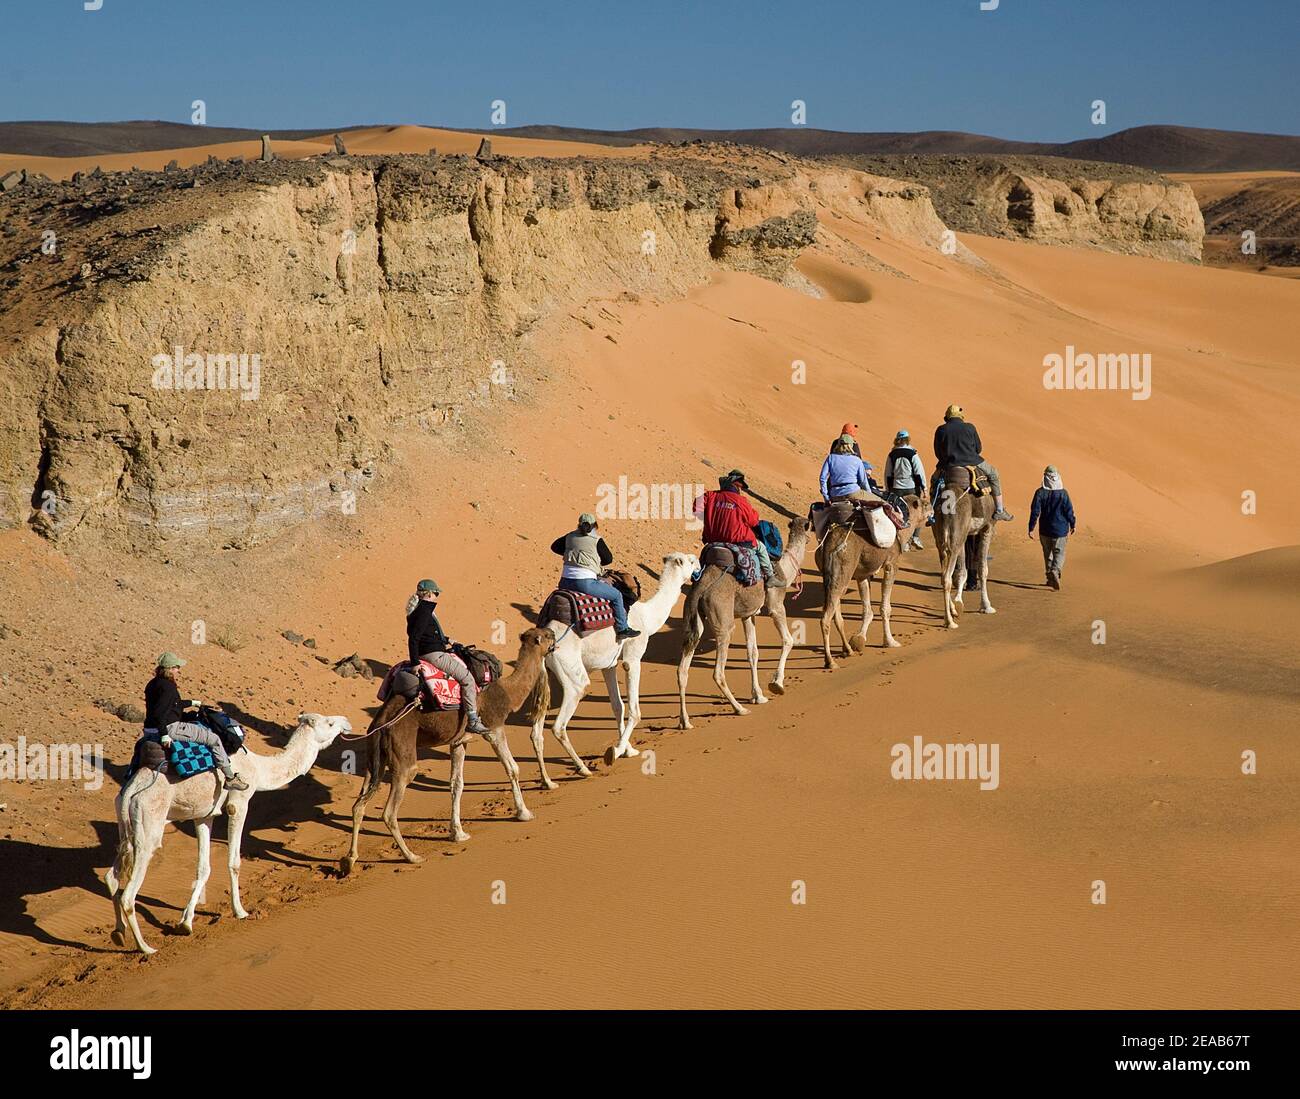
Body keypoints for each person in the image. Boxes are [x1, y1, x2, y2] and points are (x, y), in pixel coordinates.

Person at [143, 653, 249, 790]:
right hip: (170, 727)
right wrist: (164, 734)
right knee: (214, 739)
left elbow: (173, 704)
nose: (178, 670)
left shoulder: (153, 684)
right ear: (169, 669)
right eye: (176, 667)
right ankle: (230, 778)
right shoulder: (168, 687)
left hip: (148, 729)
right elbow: (160, 712)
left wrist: (193, 702)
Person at [406, 579, 490, 732]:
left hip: (430, 651)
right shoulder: (425, 611)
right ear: (430, 593)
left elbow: (427, 634)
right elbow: (414, 638)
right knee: (468, 679)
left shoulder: (417, 610)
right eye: (436, 593)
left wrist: (447, 640)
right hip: (434, 655)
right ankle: (472, 719)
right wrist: (414, 662)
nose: (437, 596)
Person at [549, 514, 640, 641]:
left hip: (564, 582)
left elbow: (554, 547)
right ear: (595, 525)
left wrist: (571, 553)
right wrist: (592, 560)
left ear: (579, 525)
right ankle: (622, 628)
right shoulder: (596, 539)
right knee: (617, 595)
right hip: (585, 583)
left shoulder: (569, 536)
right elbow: (608, 559)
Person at [696, 470, 784, 588]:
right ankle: (770, 577)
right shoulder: (741, 501)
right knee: (761, 547)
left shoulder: (710, 496)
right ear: (737, 486)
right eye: (740, 487)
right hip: (738, 541)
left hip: (713, 540)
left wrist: (713, 514)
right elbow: (753, 521)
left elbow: (696, 510)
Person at [931, 404, 1013, 522]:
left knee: (934, 483)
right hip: (972, 461)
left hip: (948, 465)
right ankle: (999, 510)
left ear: (948, 417)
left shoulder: (941, 429)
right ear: (960, 417)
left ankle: (932, 513)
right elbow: (978, 449)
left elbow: (938, 452)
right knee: (994, 474)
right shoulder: (970, 427)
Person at [1028, 465, 1076, 590]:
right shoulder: (1063, 493)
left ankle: (1050, 578)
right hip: (1060, 530)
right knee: (1059, 553)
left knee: (1047, 554)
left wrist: (1031, 528)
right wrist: (1073, 524)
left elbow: (1035, 511)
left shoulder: (1040, 493)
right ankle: (1055, 570)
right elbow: (1069, 511)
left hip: (1044, 530)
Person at [884, 429, 927, 550]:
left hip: (897, 489)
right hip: (911, 488)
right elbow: (919, 473)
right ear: (908, 439)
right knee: (918, 513)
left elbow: (888, 473)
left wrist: (888, 489)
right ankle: (915, 537)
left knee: (899, 513)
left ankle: (902, 541)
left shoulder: (892, 454)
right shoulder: (913, 453)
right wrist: (924, 488)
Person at [820, 433, 878, 502]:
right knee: (882, 503)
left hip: (835, 495)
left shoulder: (831, 458)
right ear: (851, 445)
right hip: (853, 493)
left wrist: (826, 497)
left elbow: (822, 478)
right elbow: (863, 482)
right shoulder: (856, 460)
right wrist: (870, 496)